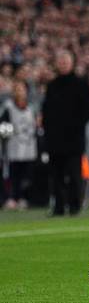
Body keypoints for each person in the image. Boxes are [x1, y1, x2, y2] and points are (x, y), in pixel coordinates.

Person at [42, 50, 89, 215]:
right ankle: (58, 206)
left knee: (74, 174)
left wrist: (77, 125)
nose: (63, 64)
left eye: (66, 61)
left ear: (72, 63)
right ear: (57, 64)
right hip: (55, 139)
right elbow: (46, 111)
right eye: (61, 61)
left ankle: (74, 206)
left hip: (74, 139)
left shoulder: (80, 84)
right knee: (56, 175)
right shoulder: (52, 85)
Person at [0, 81, 38, 209]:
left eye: (22, 89)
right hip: (13, 147)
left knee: (26, 175)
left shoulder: (31, 107)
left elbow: (35, 125)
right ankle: (11, 197)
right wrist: (10, 133)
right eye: (17, 89)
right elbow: (3, 127)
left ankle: (23, 197)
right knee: (12, 174)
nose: (20, 92)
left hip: (28, 146)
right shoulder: (8, 107)